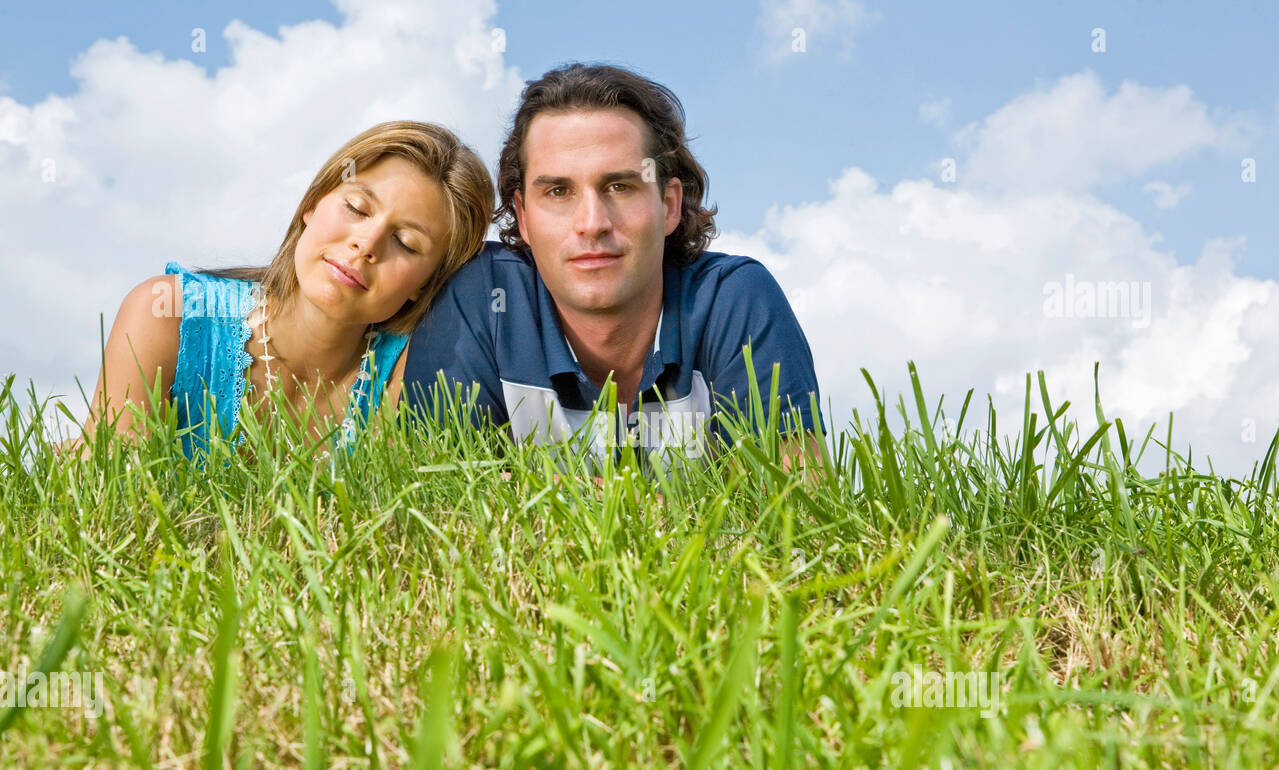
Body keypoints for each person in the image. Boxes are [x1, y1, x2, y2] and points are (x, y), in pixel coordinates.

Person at [401, 63, 823, 470]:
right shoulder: (481, 299)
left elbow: (796, 510)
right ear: (523, 215)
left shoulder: (737, 299)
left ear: (669, 205)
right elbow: (436, 504)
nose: (592, 224)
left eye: (620, 186)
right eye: (558, 191)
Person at [64, 121, 494, 463]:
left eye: (406, 243)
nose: (366, 243)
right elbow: (109, 488)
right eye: (356, 208)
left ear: (426, 284)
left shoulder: (411, 366)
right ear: (312, 204)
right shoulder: (168, 314)